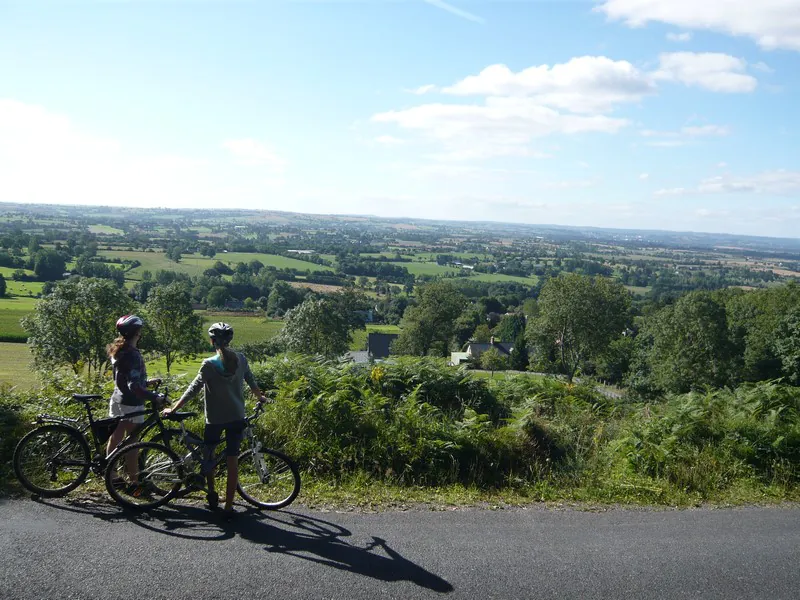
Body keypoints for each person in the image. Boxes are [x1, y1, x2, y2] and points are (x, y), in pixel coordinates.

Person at [163, 322, 268, 517]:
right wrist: (260, 397)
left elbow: (193, 389)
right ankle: (228, 507)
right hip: (237, 417)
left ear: (212, 341)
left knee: (208, 457)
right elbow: (252, 382)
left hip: (214, 420)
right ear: (230, 340)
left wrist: (174, 408)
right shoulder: (242, 359)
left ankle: (211, 493)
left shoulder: (209, 364)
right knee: (232, 462)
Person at [106, 314, 164, 483]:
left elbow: (123, 378)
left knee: (116, 437)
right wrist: (155, 397)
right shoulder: (134, 355)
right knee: (133, 444)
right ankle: (134, 481)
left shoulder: (118, 351)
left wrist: (146, 382)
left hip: (117, 400)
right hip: (132, 403)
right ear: (137, 333)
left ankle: (112, 474)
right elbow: (134, 387)